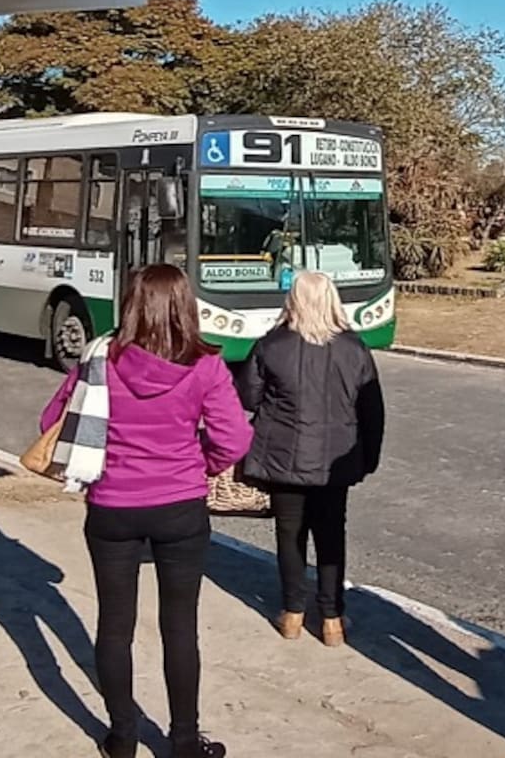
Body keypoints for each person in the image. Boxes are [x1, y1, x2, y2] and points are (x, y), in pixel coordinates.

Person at [39, 265, 252, 758]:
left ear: (130, 303)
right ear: (185, 305)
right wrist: (203, 464)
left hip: (112, 507)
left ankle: (122, 736)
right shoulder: (205, 365)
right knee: (180, 626)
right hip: (180, 506)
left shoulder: (99, 359)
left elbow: (54, 422)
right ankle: (183, 740)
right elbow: (235, 439)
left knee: (115, 624)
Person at [237, 271, 384, 647]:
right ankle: (332, 617)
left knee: (290, 535)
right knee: (332, 535)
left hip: (284, 458)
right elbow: (372, 410)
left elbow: (247, 398)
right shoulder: (354, 348)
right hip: (336, 459)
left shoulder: (272, 345)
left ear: (293, 300)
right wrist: (368, 457)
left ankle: (293, 612)